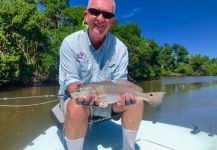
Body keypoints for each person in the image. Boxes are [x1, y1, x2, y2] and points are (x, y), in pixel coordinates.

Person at [58, 0, 144, 149]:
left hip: (110, 102)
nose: (100, 18)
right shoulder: (70, 43)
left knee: (136, 101)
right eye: (95, 12)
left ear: (112, 21)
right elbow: (71, 83)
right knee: (76, 105)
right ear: (86, 16)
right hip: (80, 101)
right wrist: (81, 94)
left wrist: (123, 98)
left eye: (107, 14)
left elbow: (120, 83)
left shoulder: (121, 49)